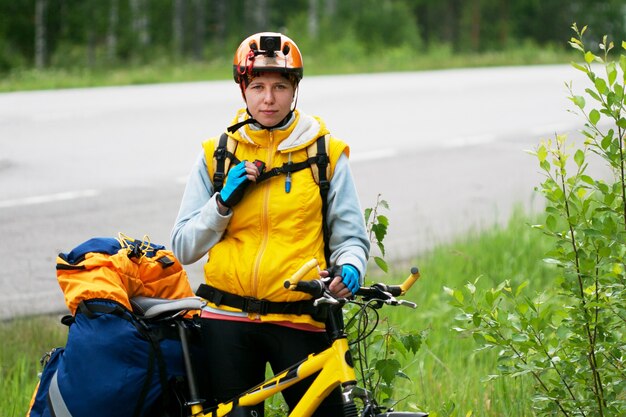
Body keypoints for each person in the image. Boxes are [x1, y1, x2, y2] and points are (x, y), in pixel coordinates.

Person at [171, 31, 370, 416]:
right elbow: (183, 247)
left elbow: (351, 238)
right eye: (257, 85)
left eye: (280, 86)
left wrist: (350, 267)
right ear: (242, 89)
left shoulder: (325, 154)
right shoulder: (218, 155)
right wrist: (221, 204)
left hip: (299, 319)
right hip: (226, 320)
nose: (268, 98)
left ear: (295, 90)